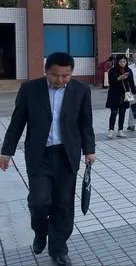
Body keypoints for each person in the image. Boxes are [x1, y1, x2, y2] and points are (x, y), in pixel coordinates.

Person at [1, 52, 96, 266]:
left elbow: (85, 122)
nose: (60, 80)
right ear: (46, 71)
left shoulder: (81, 90)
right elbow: (17, 122)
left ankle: (58, 249)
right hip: (39, 156)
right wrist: (6, 151)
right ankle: (40, 230)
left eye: (66, 75)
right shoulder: (30, 89)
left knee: (64, 205)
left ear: (71, 73)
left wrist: (89, 150)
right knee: (39, 202)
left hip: (67, 155)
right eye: (55, 75)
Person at [106, 55, 136, 139]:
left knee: (122, 112)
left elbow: (131, 82)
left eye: (124, 61)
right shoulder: (112, 70)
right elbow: (110, 82)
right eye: (120, 62)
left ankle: (120, 130)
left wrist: (134, 93)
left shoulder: (128, 70)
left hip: (125, 94)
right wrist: (119, 78)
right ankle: (111, 130)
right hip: (114, 94)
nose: (122, 63)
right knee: (114, 112)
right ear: (117, 62)